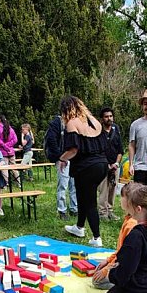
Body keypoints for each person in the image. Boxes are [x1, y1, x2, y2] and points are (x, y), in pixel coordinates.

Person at [59, 96, 110, 247]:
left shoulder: (71, 123)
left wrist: (62, 159)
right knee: (82, 195)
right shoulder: (93, 120)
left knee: (89, 202)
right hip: (101, 164)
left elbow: (73, 150)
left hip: (87, 167)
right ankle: (79, 227)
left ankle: (96, 237)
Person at [92, 182, 139, 290]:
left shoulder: (131, 225)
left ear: (129, 201)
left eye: (122, 197)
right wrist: (108, 261)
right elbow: (120, 251)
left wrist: (106, 270)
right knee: (98, 264)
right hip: (122, 260)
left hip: (127, 265)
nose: (119, 199)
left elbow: (123, 257)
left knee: (96, 281)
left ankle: (126, 284)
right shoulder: (129, 218)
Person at [45, 112, 77, 220]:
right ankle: (62, 210)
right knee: (63, 185)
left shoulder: (75, 122)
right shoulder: (57, 122)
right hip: (62, 158)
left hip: (74, 157)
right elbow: (51, 139)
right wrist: (60, 157)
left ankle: (74, 208)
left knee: (74, 185)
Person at [98, 107, 124, 221]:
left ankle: (110, 210)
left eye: (111, 116)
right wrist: (106, 164)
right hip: (102, 165)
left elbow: (120, 150)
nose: (109, 118)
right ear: (102, 119)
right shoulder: (98, 131)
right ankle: (102, 212)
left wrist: (117, 163)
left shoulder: (116, 129)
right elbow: (97, 150)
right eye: (106, 116)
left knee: (113, 188)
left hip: (115, 165)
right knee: (103, 189)